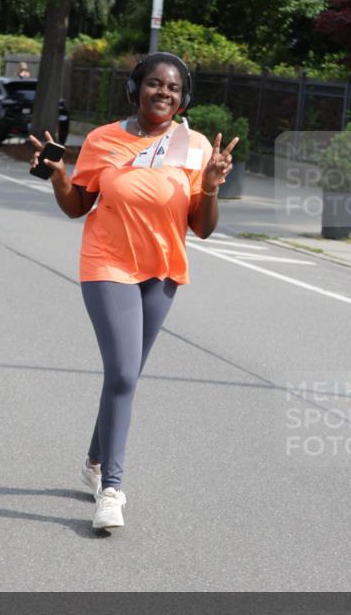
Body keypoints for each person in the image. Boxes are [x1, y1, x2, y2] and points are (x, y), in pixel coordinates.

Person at [28, 52, 238, 531]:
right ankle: (111, 490)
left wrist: (209, 188)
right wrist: (60, 176)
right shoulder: (104, 140)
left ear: (184, 99)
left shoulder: (195, 146)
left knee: (126, 376)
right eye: (155, 85)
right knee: (122, 372)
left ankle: (94, 460)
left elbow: (201, 229)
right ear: (135, 88)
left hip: (161, 271)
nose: (164, 93)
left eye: (174, 89)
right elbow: (77, 206)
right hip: (107, 264)